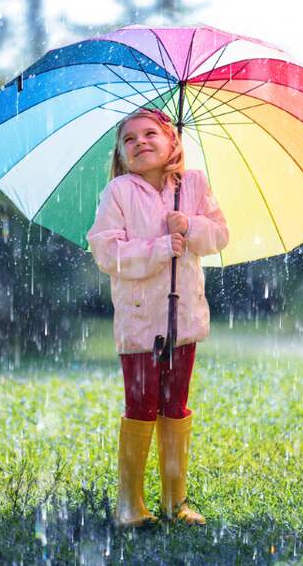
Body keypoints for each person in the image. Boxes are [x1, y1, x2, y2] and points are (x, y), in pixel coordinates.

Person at [87, 107, 229, 527]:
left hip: (182, 319)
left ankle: (175, 501)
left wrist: (190, 224)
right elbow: (106, 251)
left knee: (175, 403)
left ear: (173, 141)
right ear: (122, 153)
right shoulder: (118, 193)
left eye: (150, 134)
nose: (140, 143)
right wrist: (156, 248)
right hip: (139, 322)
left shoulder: (194, 185)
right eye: (129, 140)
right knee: (141, 404)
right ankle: (130, 503)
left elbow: (220, 235)